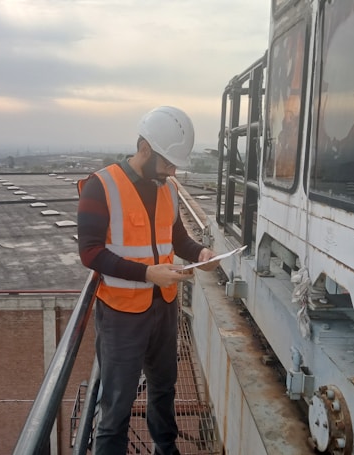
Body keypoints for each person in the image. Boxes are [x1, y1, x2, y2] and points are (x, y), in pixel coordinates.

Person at [77, 106, 218, 455]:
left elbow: (178, 239)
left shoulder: (166, 189)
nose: (172, 171)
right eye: (168, 163)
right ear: (144, 148)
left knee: (163, 388)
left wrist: (200, 254)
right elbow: (90, 253)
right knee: (117, 403)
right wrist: (146, 273)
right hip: (122, 314)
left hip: (164, 306)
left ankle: (165, 448)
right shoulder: (102, 185)